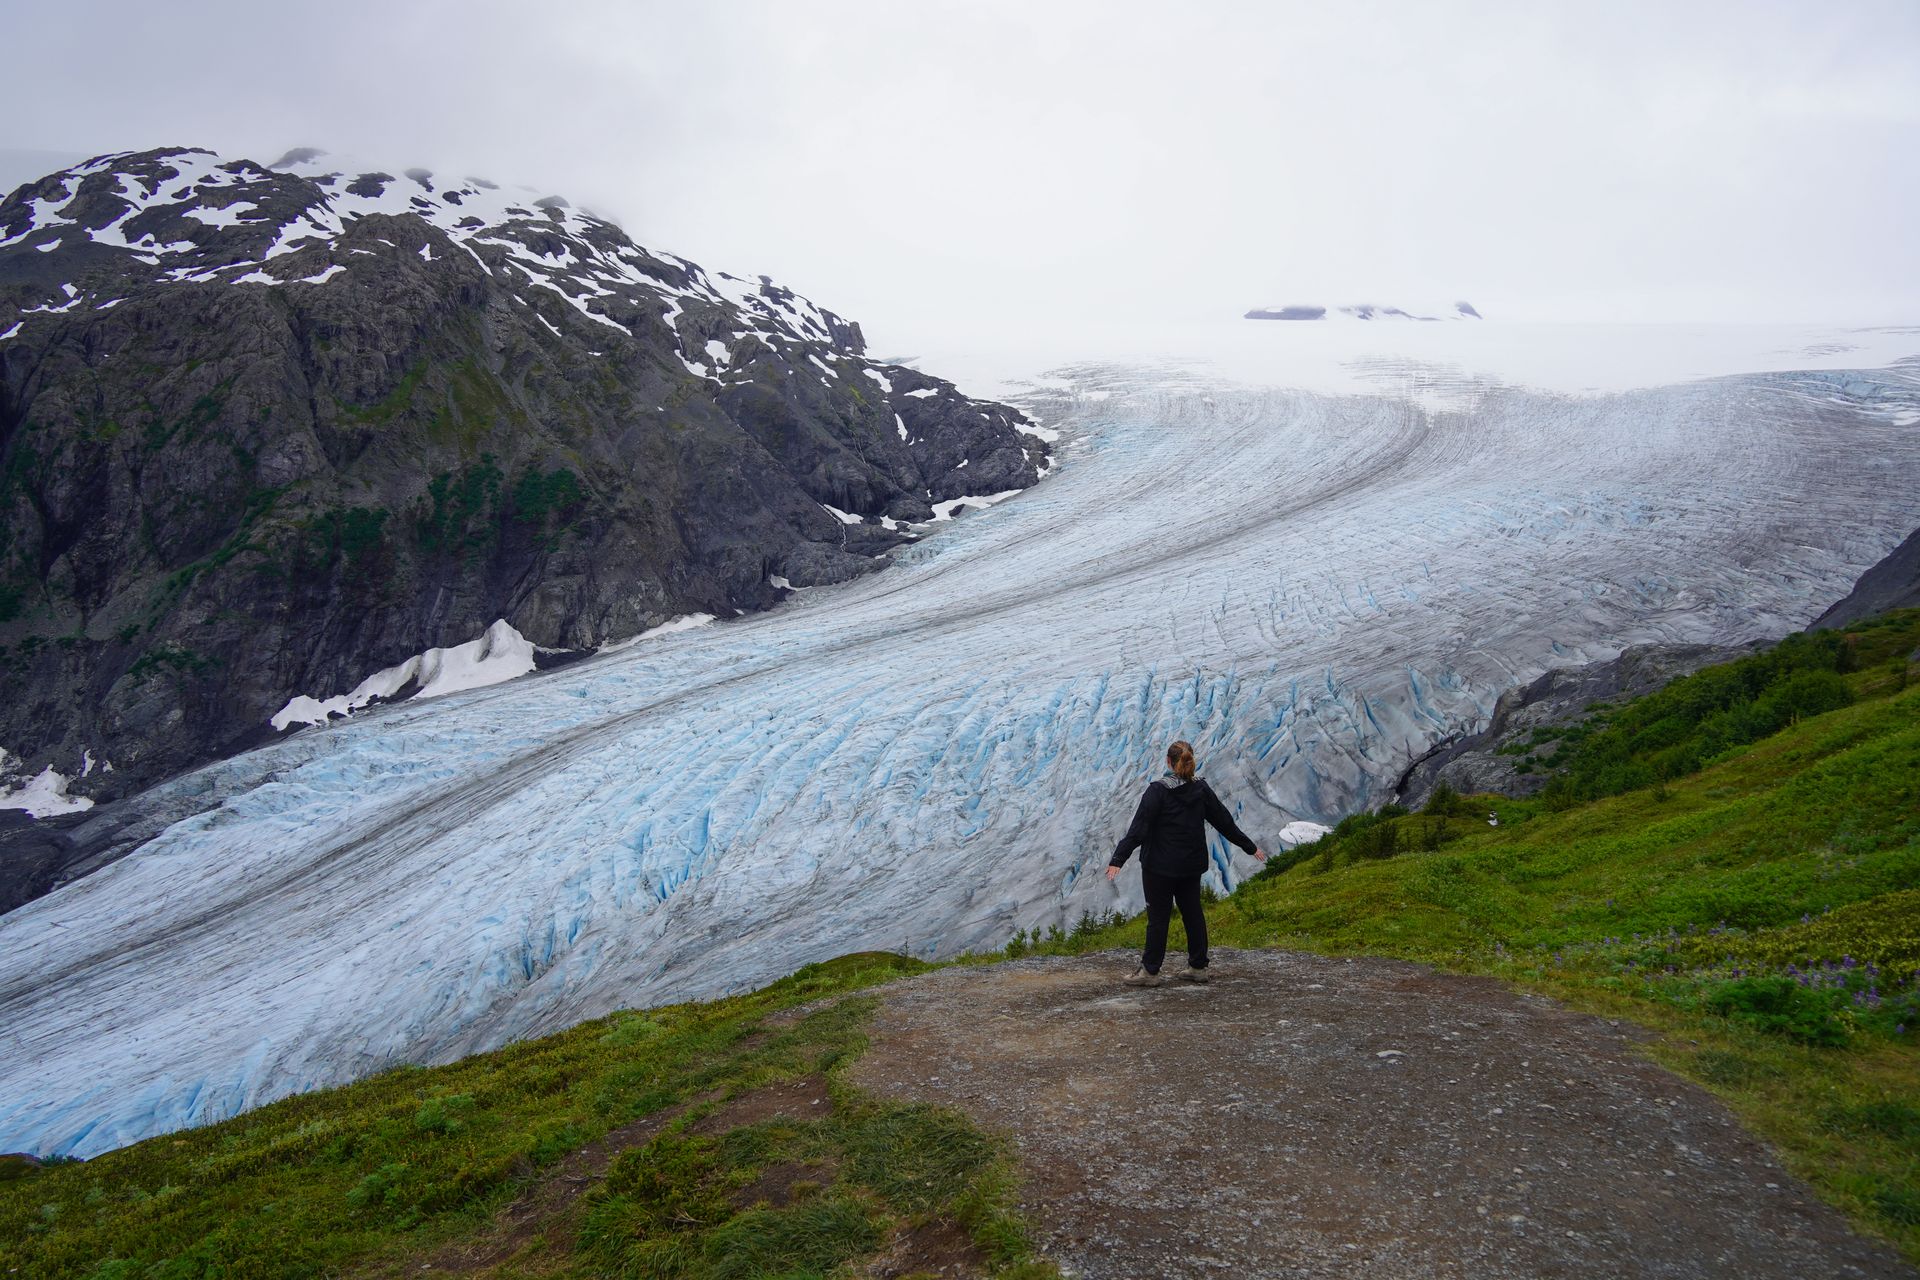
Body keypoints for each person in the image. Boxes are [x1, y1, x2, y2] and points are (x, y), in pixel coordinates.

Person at [1106, 740, 1267, 986]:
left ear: (1168, 762)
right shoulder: (1200, 788)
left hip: (1159, 867)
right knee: (1193, 913)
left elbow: (1138, 829)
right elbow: (1225, 822)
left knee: (1158, 918)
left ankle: (1149, 972)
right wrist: (1250, 846)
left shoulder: (1158, 790)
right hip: (1190, 866)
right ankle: (1198, 966)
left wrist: (1118, 859)